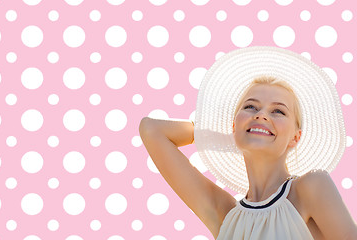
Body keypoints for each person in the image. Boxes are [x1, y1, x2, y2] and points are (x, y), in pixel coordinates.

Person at [139, 46, 357, 239]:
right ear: (233, 125)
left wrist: (251, 130)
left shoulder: (311, 187)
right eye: (251, 107)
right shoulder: (225, 215)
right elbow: (151, 129)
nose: (262, 115)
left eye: (278, 111)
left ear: (295, 137)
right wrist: (226, 134)